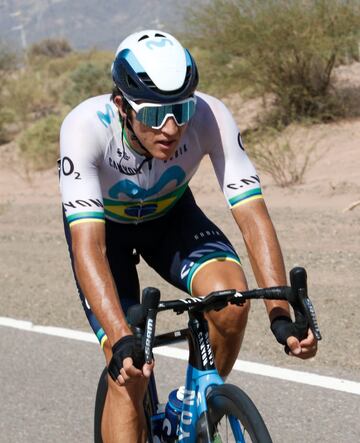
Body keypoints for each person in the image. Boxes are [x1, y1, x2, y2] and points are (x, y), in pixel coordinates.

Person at [59, 29, 318, 442]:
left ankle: (195, 408)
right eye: (151, 114)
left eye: (180, 109)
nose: (170, 127)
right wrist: (122, 338)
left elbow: (253, 217)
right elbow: (88, 247)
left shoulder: (210, 115)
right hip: (106, 233)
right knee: (129, 371)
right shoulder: (85, 128)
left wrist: (280, 311)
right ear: (122, 106)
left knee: (231, 302)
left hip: (170, 217)